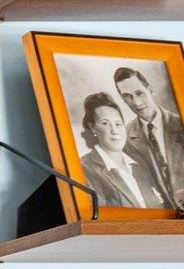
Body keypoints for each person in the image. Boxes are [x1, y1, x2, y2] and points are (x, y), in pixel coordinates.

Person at [79, 92, 165, 210]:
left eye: (118, 123)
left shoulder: (139, 163)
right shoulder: (84, 168)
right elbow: (99, 222)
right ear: (92, 127)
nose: (115, 130)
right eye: (105, 123)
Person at [113, 66, 184, 209]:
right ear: (122, 99)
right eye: (127, 96)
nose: (136, 103)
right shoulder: (125, 138)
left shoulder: (180, 124)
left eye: (139, 93)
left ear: (150, 89)